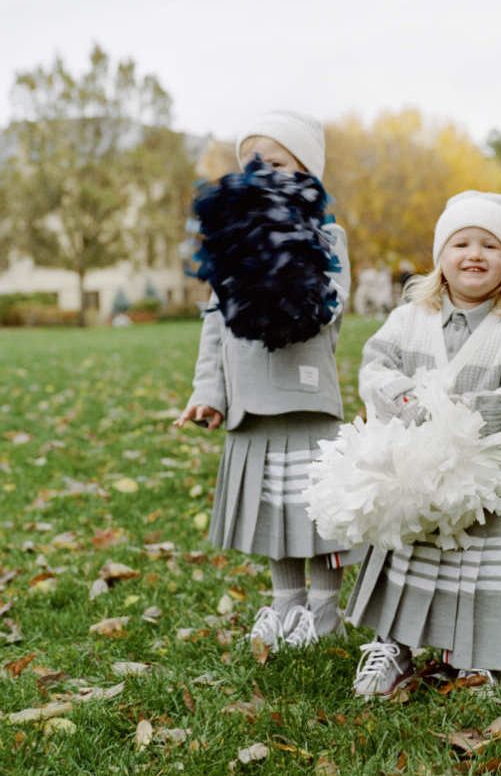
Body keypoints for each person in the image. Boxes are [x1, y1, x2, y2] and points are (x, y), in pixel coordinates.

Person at [345, 191, 501, 696]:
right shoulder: (409, 320)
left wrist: (472, 411)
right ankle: (391, 647)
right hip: (410, 476)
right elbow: (375, 369)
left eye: (491, 245)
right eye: (461, 242)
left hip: (475, 484)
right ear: (441, 258)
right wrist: (408, 399)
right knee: (404, 557)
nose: (475, 254)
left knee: (473, 570)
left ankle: (477, 657)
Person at [175, 110, 362, 652]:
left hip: (305, 397)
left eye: (276, 160)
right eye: (251, 162)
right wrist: (209, 392)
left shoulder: (326, 237)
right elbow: (215, 321)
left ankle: (324, 609)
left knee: (319, 511)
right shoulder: (232, 242)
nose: (262, 171)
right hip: (249, 403)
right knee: (275, 513)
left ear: (308, 170)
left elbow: (330, 306)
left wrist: (277, 281)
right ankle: (287, 604)